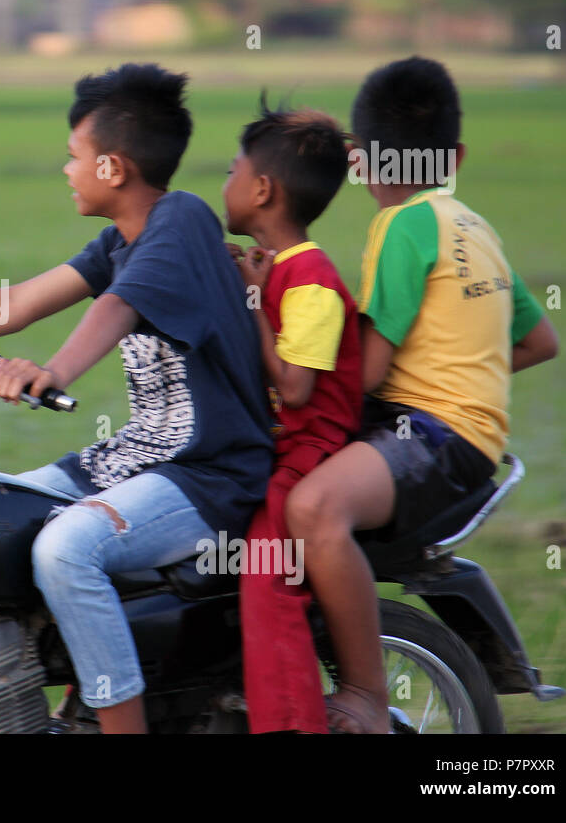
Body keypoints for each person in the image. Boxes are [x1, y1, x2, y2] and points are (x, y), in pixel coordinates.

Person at [0, 63, 272, 733]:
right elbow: (14, 306)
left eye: (75, 157)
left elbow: (119, 307)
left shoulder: (180, 219)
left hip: (209, 475)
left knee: (66, 550)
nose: (66, 170)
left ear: (115, 167)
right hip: (134, 462)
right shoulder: (118, 242)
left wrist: (56, 372)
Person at [283, 56, 560, 732]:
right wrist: (465, 380)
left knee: (313, 508)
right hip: (465, 435)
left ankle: (367, 697)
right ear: (456, 155)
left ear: (358, 160)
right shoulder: (475, 227)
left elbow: (368, 374)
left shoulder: (403, 226)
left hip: (431, 436)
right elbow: (538, 341)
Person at [221, 99, 363, 734]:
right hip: (281, 446)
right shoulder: (278, 267)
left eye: (231, 171)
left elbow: (297, 388)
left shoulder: (310, 278)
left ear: (262, 189)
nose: (223, 185)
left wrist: (253, 301)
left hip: (311, 452)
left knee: (264, 579)